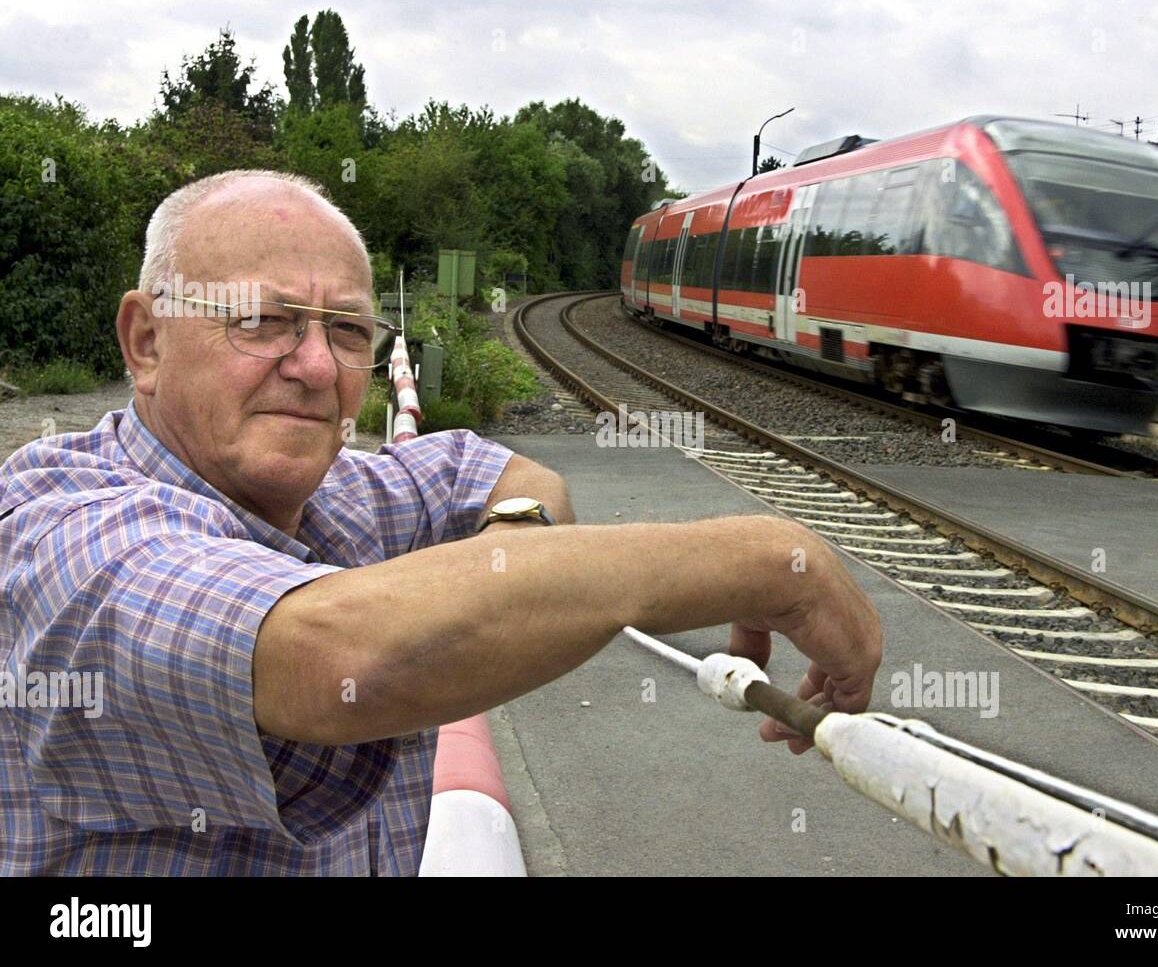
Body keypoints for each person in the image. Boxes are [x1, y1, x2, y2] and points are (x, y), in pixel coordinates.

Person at [0, 170, 882, 875]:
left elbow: (498, 470)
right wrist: (762, 557)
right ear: (146, 341)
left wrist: (510, 552)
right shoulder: (62, 532)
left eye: (348, 330)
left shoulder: (343, 489)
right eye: (262, 320)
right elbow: (340, 657)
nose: (314, 365)